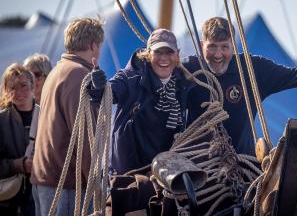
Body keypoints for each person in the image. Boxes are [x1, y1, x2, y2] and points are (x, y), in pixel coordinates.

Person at [183, 17, 297, 155]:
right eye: (212, 47)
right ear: (202, 44)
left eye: (224, 47)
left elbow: (292, 76)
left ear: (233, 45)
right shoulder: (189, 69)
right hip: (196, 165)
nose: (218, 55)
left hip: (241, 167)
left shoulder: (252, 69)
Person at [90, 29, 192, 175]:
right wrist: (98, 87)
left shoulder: (183, 82)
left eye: (169, 52)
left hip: (165, 174)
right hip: (127, 175)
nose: (163, 58)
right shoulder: (130, 77)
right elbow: (107, 94)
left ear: (177, 54)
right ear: (148, 53)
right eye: (158, 52)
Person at [30, 17, 104, 216]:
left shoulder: (56, 72)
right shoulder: (80, 76)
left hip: (45, 180)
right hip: (66, 187)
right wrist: (98, 187)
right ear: (93, 45)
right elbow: (85, 138)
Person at [0, 63, 39, 215]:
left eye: (23, 85)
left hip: (39, 198)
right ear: (6, 91)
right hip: (8, 202)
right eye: (12, 88)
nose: (18, 92)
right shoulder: (1, 121)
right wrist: (19, 165)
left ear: (33, 85)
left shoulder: (46, 116)